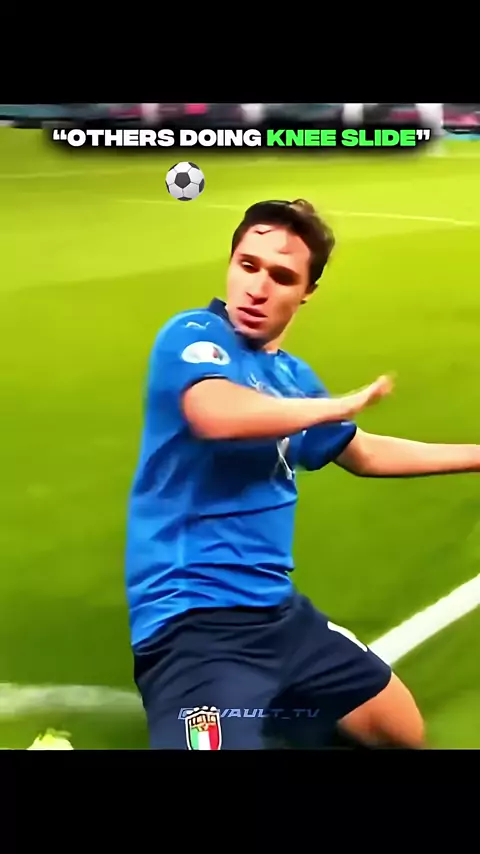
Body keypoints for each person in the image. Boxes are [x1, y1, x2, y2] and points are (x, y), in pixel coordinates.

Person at [126, 199, 479, 750]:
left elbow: (365, 454)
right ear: (231, 264)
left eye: (282, 276)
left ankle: (266, 709)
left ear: (306, 291)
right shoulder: (193, 335)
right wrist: (332, 407)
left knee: (400, 732)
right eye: (248, 265)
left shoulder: (291, 377)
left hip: (280, 615)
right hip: (194, 624)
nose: (257, 288)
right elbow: (216, 414)